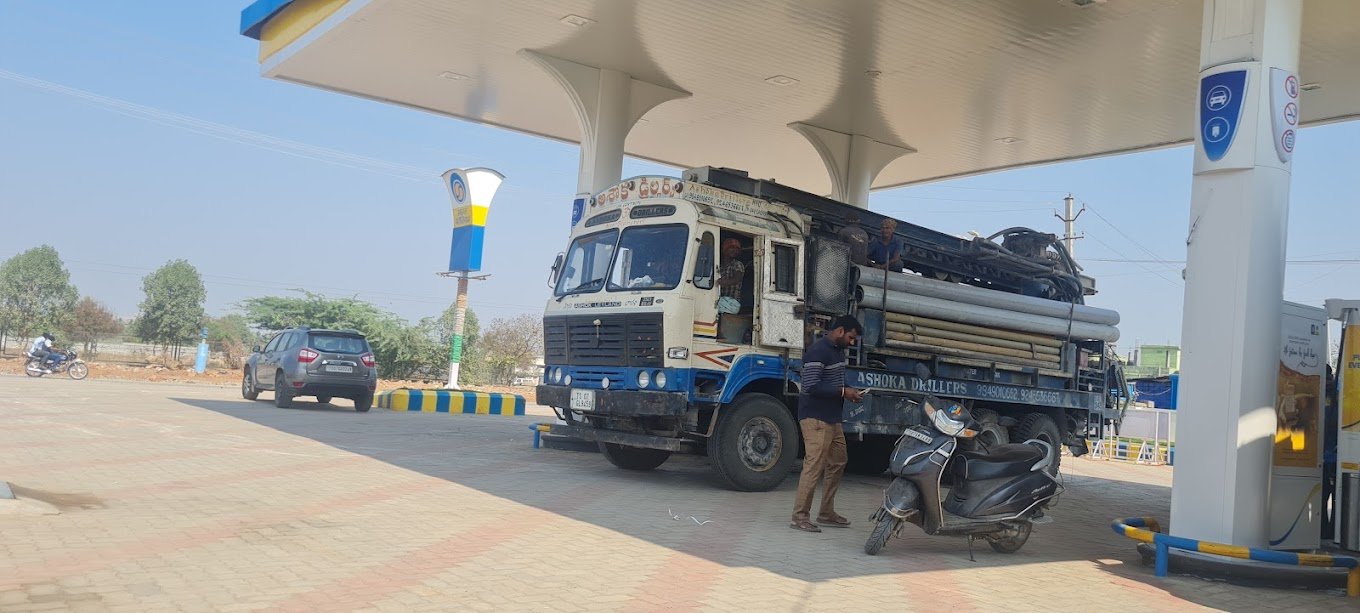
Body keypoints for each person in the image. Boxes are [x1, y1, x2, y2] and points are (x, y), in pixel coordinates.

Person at [791, 315, 865, 533]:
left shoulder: (837, 352)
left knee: (838, 461)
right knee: (814, 466)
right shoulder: (818, 351)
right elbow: (811, 386)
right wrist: (844, 392)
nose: (852, 343)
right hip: (815, 418)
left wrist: (849, 391)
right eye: (851, 338)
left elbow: (834, 382)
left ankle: (826, 512)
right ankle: (800, 516)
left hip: (832, 418)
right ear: (840, 331)